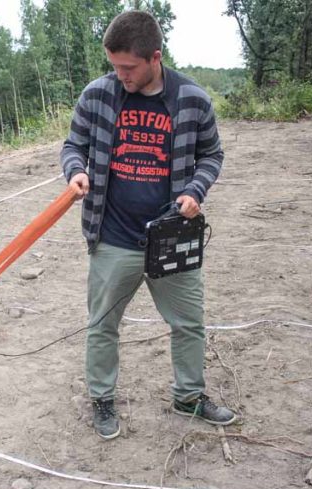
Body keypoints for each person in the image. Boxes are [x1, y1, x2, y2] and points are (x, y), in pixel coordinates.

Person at [60, 10, 236, 440]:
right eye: (114, 65)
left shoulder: (192, 99)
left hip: (172, 235)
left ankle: (188, 396)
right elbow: (73, 144)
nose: (119, 75)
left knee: (188, 323)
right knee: (102, 324)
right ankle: (102, 398)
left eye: (128, 67)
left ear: (155, 57)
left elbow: (212, 155)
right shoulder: (98, 95)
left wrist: (196, 190)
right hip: (114, 236)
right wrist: (75, 171)